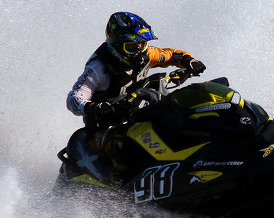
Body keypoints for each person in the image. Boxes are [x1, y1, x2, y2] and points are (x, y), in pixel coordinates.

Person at [67, 12, 206, 141]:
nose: (140, 52)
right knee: (124, 151)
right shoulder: (98, 68)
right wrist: (94, 107)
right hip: (102, 130)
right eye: (132, 47)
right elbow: (73, 99)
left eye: (143, 45)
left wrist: (189, 61)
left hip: (134, 117)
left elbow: (173, 55)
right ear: (116, 46)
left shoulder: (147, 55)